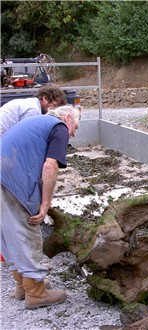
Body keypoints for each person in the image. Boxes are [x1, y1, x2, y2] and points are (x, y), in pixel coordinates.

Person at [0, 105, 81, 309]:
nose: (73, 133)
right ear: (68, 118)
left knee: (10, 235)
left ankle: (23, 285)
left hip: (3, 174)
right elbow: (50, 166)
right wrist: (44, 204)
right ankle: (36, 294)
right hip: (10, 181)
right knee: (28, 234)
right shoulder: (59, 127)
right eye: (76, 127)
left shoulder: (35, 122)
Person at [0, 84, 67, 136]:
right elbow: (27, 136)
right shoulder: (33, 110)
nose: (55, 111)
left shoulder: (31, 103)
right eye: (54, 106)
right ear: (45, 98)